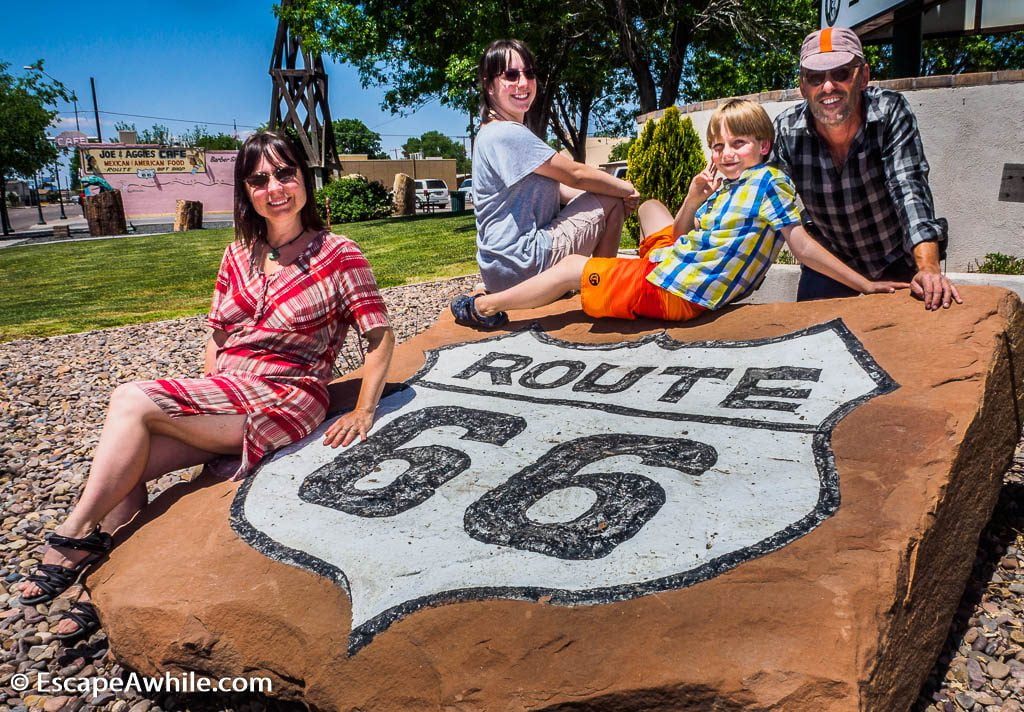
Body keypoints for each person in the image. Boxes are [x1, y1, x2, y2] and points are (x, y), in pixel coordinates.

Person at [17, 131, 395, 639]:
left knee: (130, 398)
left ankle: (70, 536)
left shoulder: (339, 253)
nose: (275, 188)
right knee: (125, 461)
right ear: (246, 190)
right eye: (260, 179)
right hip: (229, 392)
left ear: (306, 177)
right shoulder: (237, 254)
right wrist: (201, 399)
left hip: (288, 395)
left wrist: (365, 410)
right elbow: (217, 339)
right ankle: (104, 585)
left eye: (285, 173)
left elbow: (380, 335)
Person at [451, 99, 907, 328]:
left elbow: (803, 246)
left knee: (572, 267)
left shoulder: (768, 182)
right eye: (718, 146)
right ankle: (608, 276)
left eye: (738, 144)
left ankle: (485, 306)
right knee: (650, 207)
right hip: (678, 264)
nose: (726, 154)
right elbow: (688, 230)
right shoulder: (734, 185)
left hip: (677, 291)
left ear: (764, 147)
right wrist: (693, 196)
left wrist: (864, 285)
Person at [770, 26, 961, 310]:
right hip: (831, 260)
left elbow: (908, 189)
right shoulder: (786, 131)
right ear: (802, 85)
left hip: (895, 255)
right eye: (815, 77)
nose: (828, 87)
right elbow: (768, 211)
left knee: (910, 340)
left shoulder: (890, 112)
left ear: (864, 77)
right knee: (811, 343)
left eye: (841, 73)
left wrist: (929, 268)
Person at [472, 38, 641, 292]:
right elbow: (576, 174)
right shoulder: (505, 133)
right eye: (510, 74)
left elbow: (558, 188)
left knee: (607, 196)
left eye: (529, 73)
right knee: (612, 203)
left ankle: (583, 284)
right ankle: (602, 291)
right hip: (523, 261)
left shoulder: (492, 133)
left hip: (501, 268)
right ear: (489, 85)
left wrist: (604, 191)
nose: (523, 82)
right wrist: (624, 190)